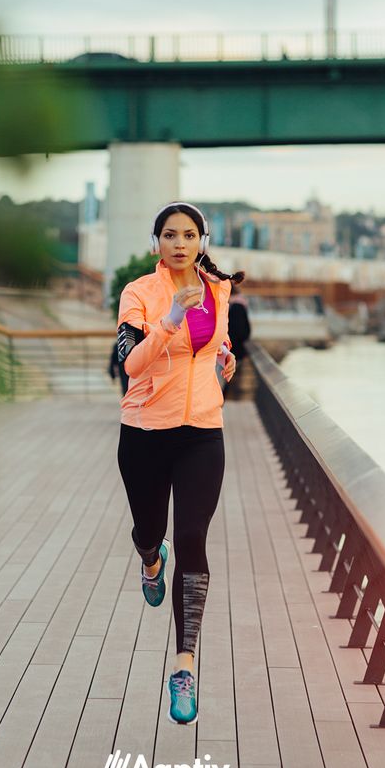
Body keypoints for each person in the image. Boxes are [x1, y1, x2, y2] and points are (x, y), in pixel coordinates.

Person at [116, 201, 244, 726]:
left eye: (188, 235)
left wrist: (225, 356)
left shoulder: (218, 289)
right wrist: (169, 320)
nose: (179, 243)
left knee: (192, 535)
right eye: (169, 235)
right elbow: (131, 361)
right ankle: (151, 559)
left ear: (200, 240)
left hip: (202, 434)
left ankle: (184, 663)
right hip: (145, 434)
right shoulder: (139, 294)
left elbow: (218, 341)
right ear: (157, 243)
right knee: (150, 530)